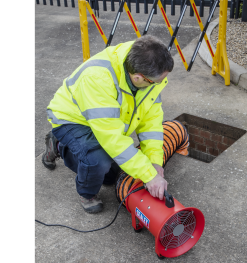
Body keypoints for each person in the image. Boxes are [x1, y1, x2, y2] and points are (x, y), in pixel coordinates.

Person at [42, 35, 174, 213]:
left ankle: (73, 151)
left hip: (103, 122)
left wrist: (155, 163)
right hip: (71, 119)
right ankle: (83, 187)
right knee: (98, 162)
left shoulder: (146, 68)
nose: (159, 84)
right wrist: (149, 177)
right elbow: (112, 138)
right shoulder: (98, 79)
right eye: (156, 81)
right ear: (137, 78)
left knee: (111, 177)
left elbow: (151, 123)